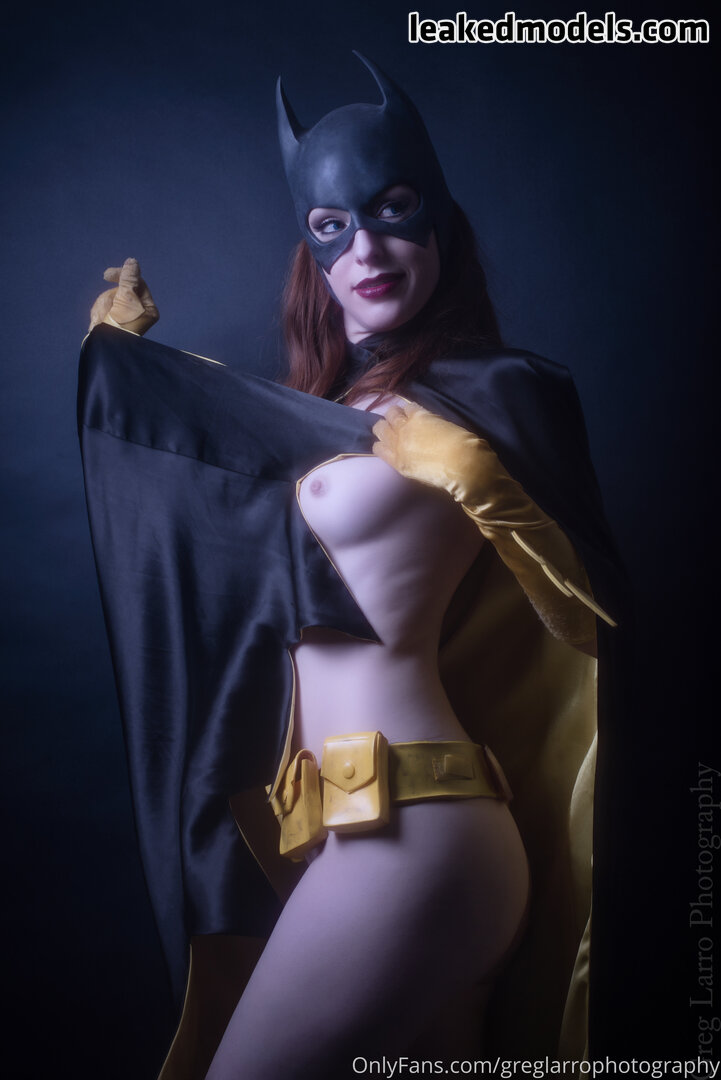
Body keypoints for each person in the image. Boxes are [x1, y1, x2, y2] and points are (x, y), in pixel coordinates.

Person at [82, 54, 621, 1079]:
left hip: (416, 836)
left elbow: (596, 606)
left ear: (440, 223)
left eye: (392, 211)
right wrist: (125, 370)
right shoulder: (329, 417)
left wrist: (479, 478)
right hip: (343, 834)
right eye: (332, 226)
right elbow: (222, 502)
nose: (366, 248)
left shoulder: (500, 393)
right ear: (311, 253)